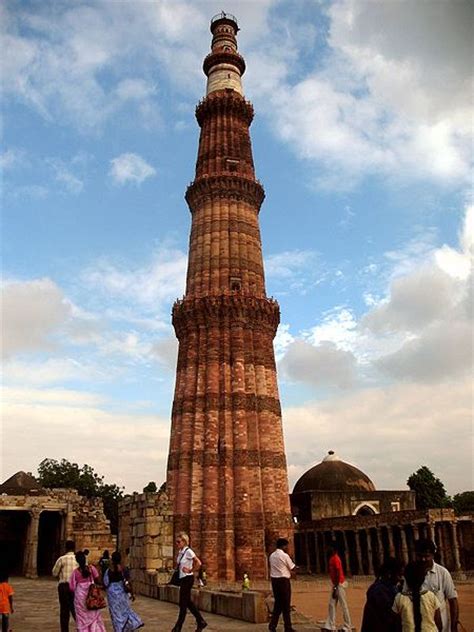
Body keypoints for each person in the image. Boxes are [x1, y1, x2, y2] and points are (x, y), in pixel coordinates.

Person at [414, 539, 459, 632]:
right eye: (419, 556)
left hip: (442, 628)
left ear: (432, 555)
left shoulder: (442, 573)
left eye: (426, 556)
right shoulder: (411, 573)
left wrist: (454, 627)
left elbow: (453, 600)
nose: (423, 559)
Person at [171, 532, 207, 632]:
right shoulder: (181, 552)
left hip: (188, 578)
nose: (177, 544)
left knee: (183, 604)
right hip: (182, 578)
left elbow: (199, 562)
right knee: (188, 602)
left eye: (178, 542)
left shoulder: (188, 551)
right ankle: (201, 621)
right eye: (176, 542)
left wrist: (191, 570)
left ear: (184, 541)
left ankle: (178, 627)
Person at [393, 560, 442, 632]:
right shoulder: (431, 596)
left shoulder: (399, 598)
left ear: (406, 578)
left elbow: (396, 624)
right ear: (423, 578)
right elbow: (439, 622)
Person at [103, 551, 144, 631]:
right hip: (122, 594)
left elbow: (106, 582)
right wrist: (132, 593)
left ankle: (119, 629)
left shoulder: (109, 571)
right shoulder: (124, 569)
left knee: (116, 614)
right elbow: (128, 581)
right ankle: (130, 624)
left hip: (113, 596)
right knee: (125, 610)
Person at [361, 557, 403, 632]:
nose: (399, 579)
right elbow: (390, 618)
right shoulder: (379, 592)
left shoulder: (386, 587)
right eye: (398, 575)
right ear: (389, 574)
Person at [69, 551, 106, 632]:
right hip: (92, 594)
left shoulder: (75, 573)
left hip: (80, 596)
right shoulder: (91, 568)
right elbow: (97, 580)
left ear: (77, 561)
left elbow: (71, 587)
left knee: (82, 617)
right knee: (93, 614)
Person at [321, 544, 352, 632]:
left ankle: (347, 626)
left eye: (329, 547)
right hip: (335, 584)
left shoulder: (336, 559)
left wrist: (335, 587)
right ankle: (330, 626)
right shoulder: (332, 558)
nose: (328, 549)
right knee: (331, 604)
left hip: (339, 584)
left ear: (334, 549)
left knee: (343, 605)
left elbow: (338, 572)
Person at [268, 537, 297, 632]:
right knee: (285, 605)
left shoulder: (272, 555)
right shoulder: (284, 556)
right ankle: (287, 627)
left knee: (278, 604)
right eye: (286, 546)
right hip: (283, 581)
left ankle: (273, 625)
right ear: (283, 546)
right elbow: (292, 567)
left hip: (275, 581)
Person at [52, 539, 78, 632]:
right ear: (74, 548)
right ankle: (81, 627)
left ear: (66, 548)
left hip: (63, 586)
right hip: (75, 587)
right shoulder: (78, 559)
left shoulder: (61, 559)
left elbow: (54, 573)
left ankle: (64, 630)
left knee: (64, 610)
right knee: (75, 609)